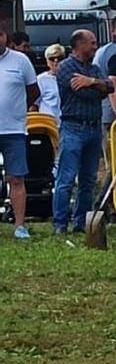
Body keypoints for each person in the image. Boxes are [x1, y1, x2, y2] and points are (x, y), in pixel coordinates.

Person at [52, 29, 113, 237]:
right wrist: (96, 87)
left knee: (88, 179)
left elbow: (110, 87)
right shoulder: (66, 67)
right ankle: (60, 223)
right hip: (73, 127)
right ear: (79, 45)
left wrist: (93, 82)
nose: (95, 46)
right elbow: (81, 91)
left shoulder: (94, 68)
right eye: (92, 43)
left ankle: (81, 221)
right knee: (66, 178)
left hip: (93, 128)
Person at [0, 31, 38, 240]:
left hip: (13, 130)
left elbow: (33, 91)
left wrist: (18, 111)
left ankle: (19, 225)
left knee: (16, 178)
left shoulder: (21, 61)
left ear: (5, 36)